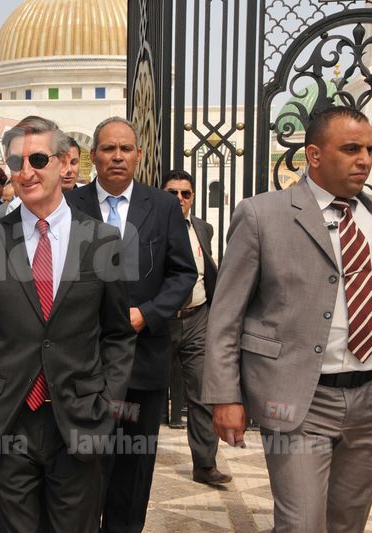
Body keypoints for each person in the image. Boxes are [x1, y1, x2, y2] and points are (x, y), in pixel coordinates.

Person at [0, 115, 136, 532]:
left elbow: (118, 336)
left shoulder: (102, 240)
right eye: (16, 162)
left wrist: (106, 408)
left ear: (65, 162)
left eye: (37, 159)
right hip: (9, 421)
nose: (26, 172)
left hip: (80, 420)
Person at [203, 106, 372, 532]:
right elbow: (226, 315)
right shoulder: (262, 215)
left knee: (348, 524)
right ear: (314, 155)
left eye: (369, 150)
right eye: (351, 149)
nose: (364, 160)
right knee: (302, 524)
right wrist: (225, 396)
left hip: (368, 401)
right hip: (298, 399)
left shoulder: (370, 216)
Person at [65, 116, 196, 532]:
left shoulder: (162, 206)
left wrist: (149, 313)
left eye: (125, 148)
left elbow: (183, 274)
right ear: (93, 156)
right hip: (83, 364)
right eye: (108, 148)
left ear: (139, 155)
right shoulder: (68, 205)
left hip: (144, 360)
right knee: (83, 467)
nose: (117, 156)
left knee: (134, 469)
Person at [161, 170, 231, 486]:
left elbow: (206, 271)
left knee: (203, 393)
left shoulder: (203, 228)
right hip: (161, 323)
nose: (179, 199)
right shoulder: (149, 226)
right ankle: (131, 459)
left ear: (192, 198)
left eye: (185, 194)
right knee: (146, 393)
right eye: (172, 193)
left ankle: (204, 465)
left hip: (198, 318)